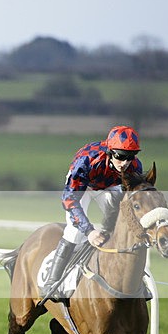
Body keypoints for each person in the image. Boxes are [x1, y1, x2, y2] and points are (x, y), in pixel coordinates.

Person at [42, 125, 143, 297]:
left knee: (123, 222)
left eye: (130, 157)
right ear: (111, 151)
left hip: (109, 186)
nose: (125, 163)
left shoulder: (134, 167)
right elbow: (69, 199)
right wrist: (89, 231)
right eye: (120, 156)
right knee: (75, 231)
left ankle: (134, 279)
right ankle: (52, 281)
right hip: (83, 186)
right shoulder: (86, 160)